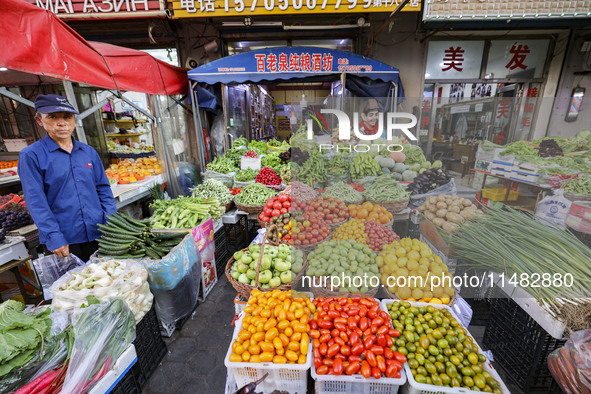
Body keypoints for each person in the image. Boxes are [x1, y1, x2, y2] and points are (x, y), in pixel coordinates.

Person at [18, 94, 116, 261]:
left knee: (105, 281)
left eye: (67, 116)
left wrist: (111, 224)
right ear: (39, 120)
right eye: (52, 117)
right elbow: (36, 201)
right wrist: (54, 237)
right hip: (65, 240)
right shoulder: (31, 155)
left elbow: (103, 189)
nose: (62, 122)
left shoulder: (88, 152)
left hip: (99, 233)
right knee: (73, 285)